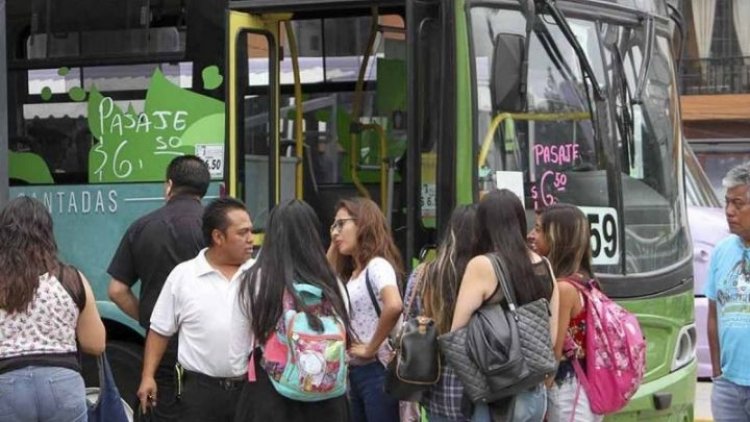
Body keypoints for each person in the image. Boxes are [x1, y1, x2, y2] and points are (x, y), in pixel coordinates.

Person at [108, 154, 210, 420]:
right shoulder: (216, 230)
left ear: (169, 185)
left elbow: (117, 290)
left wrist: (155, 322)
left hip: (162, 355)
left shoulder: (142, 227)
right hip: (208, 355)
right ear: (204, 189)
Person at [136, 198, 255, 422]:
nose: (251, 239)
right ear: (218, 237)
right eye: (242, 233)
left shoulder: (258, 274)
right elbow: (160, 330)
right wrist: (148, 376)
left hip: (247, 391)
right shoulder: (184, 276)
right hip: (199, 393)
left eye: (251, 231)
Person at [233, 199, 351, 422]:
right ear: (313, 234)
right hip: (328, 399)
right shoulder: (333, 282)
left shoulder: (253, 280)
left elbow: (237, 353)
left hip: (271, 396)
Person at [451, 189, 559, 422]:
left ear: (482, 225)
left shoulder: (482, 265)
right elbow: (551, 334)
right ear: (520, 221)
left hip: (495, 397)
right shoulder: (545, 266)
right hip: (534, 394)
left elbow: (457, 334)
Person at [0, 196, 106, 422]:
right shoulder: (71, 278)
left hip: (5, 384)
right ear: (47, 233)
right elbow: (96, 344)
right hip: (62, 384)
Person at [328, 197, 404, 422]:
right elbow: (323, 278)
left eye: (341, 224)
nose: (335, 232)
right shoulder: (352, 275)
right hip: (355, 371)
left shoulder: (378, 266)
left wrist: (371, 347)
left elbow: (394, 305)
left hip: (377, 369)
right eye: (333, 226)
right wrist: (334, 242)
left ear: (363, 224)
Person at [403, 204, 478, 422]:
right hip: (479, 391)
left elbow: (409, 323)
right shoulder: (485, 278)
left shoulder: (423, 274)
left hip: (435, 388)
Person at [533, 203, 602, 422]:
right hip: (585, 385)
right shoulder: (588, 282)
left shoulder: (564, 289)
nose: (530, 235)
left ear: (557, 238)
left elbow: (555, 349)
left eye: (538, 229)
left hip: (568, 391)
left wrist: (541, 391)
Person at [706, 162, 750, 421]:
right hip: (728, 387)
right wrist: (717, 373)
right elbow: (713, 314)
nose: (729, 211)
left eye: (739, 203)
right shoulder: (722, 251)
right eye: (727, 203)